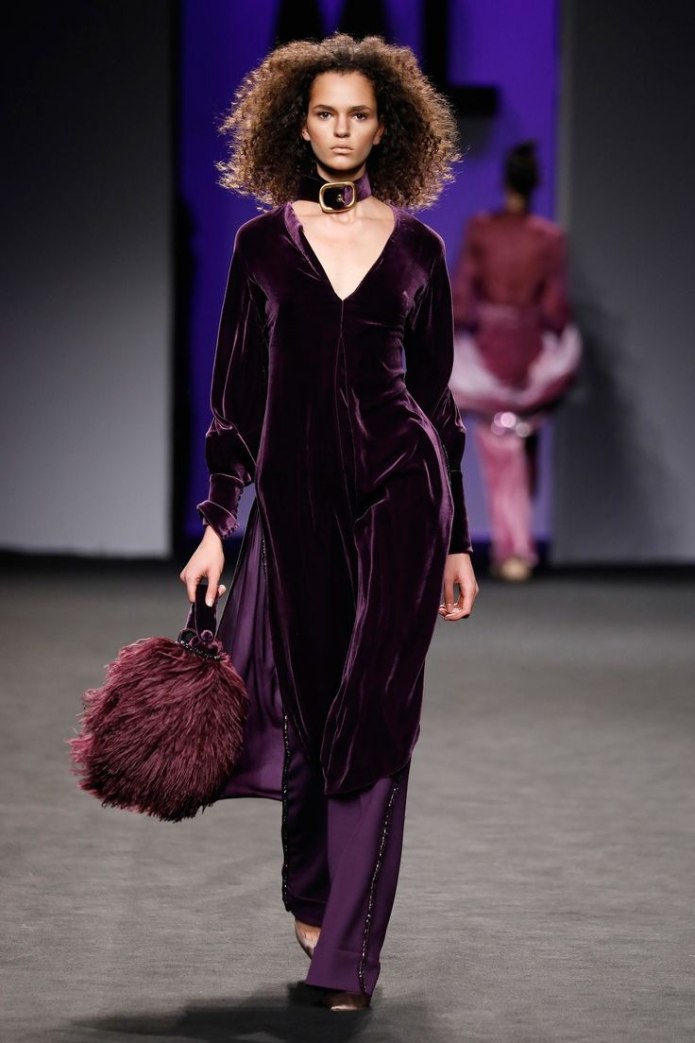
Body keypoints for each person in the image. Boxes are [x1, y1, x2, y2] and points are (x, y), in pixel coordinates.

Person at [180, 33, 478, 1011]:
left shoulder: (420, 250)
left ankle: (346, 956)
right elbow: (235, 398)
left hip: (402, 496)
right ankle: (313, 888)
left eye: (358, 114)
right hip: (294, 505)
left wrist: (456, 538)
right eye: (325, 114)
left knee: (373, 709)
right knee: (309, 708)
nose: (342, 130)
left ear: (384, 128)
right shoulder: (260, 247)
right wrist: (218, 521)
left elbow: (436, 403)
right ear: (296, 126)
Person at [449, 142, 580, 581]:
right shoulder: (549, 238)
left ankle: (513, 551)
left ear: (504, 182)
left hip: (489, 352)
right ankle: (516, 548)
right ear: (534, 185)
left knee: (500, 445)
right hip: (530, 352)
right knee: (519, 442)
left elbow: (462, 296)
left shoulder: (482, 230)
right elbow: (555, 307)